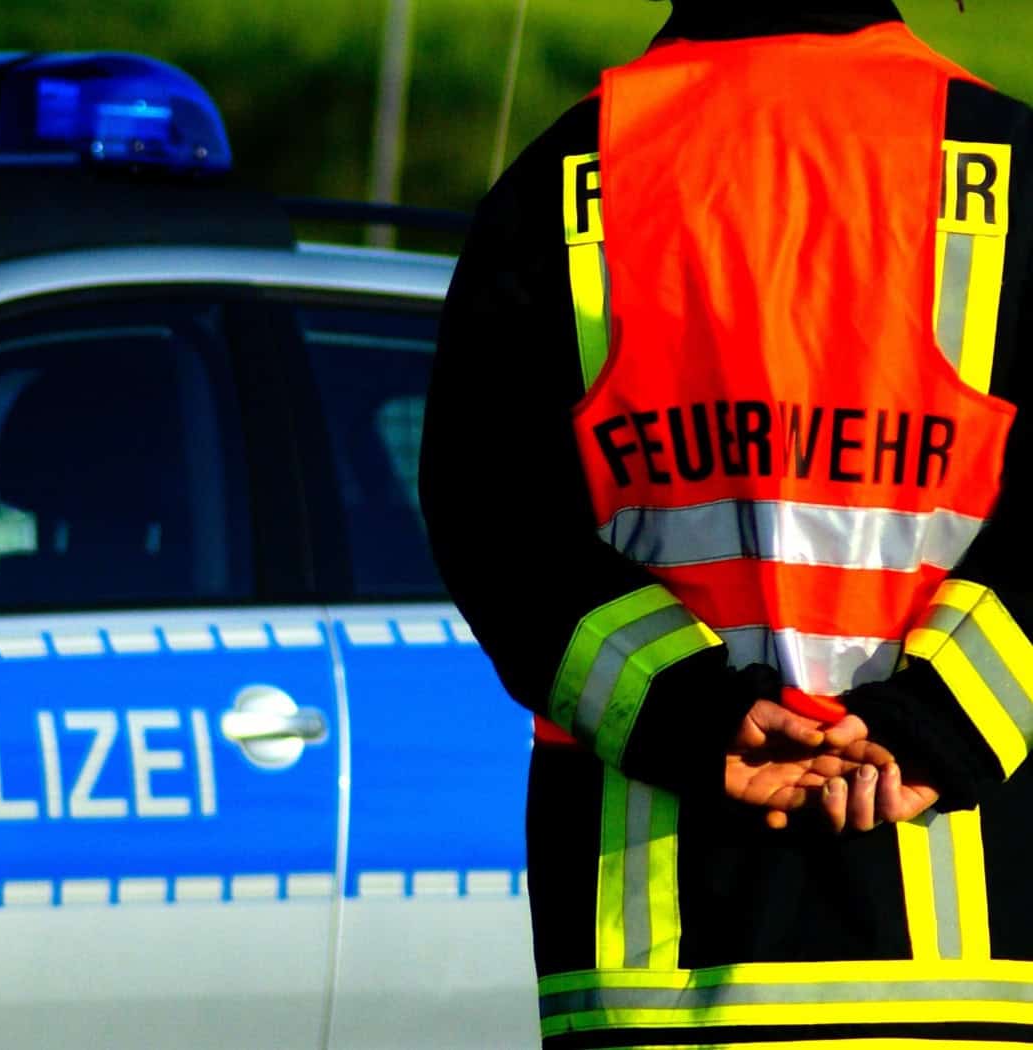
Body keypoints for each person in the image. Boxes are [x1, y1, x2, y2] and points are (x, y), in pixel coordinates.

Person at [418, 1, 1033, 1046]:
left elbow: (490, 518)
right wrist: (928, 730)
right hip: (967, 965)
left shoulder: (566, 178)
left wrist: (688, 713)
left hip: (652, 969)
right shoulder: (1006, 165)